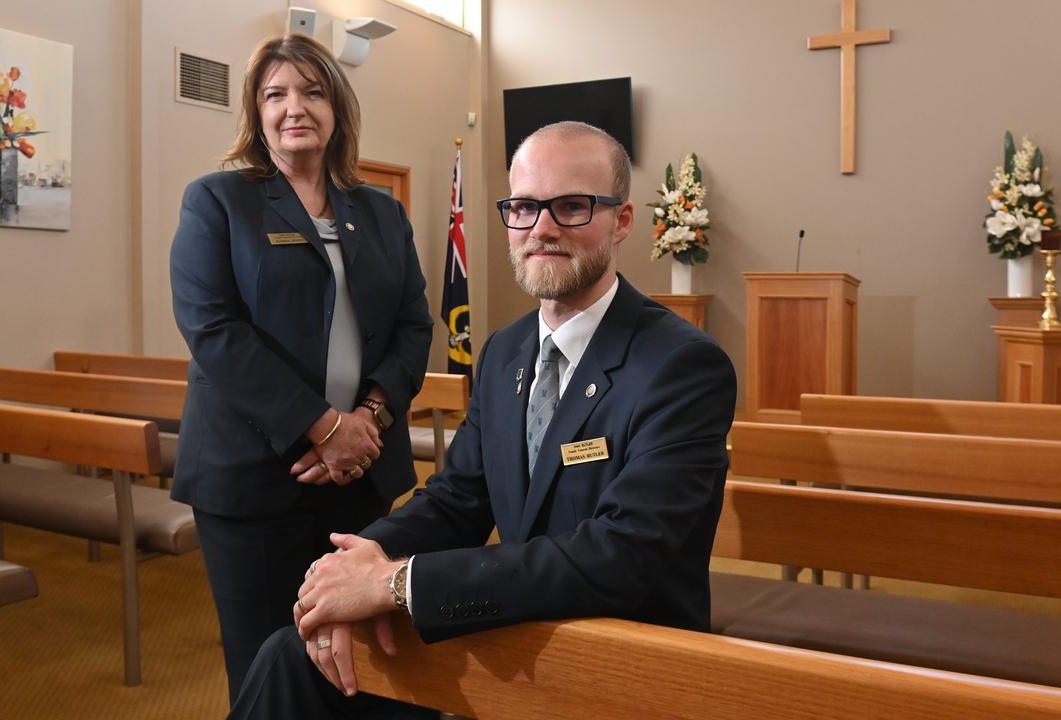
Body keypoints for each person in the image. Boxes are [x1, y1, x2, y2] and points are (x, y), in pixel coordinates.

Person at [228, 121, 737, 719]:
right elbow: (456, 500)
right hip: (510, 623)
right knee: (291, 660)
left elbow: (623, 556)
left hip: (618, 657)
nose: (541, 228)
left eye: (571, 206)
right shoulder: (506, 352)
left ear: (622, 220)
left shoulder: (682, 364)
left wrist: (396, 585)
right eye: (524, 207)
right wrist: (357, 563)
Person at [169, 33, 431, 703]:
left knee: (368, 660)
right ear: (255, 112)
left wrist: (367, 420)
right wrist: (320, 427)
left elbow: (412, 326)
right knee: (268, 662)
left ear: (337, 107)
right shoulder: (218, 202)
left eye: (313, 92)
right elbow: (212, 328)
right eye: (276, 94)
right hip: (254, 478)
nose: (295, 108)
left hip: (362, 475)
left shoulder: (381, 211)